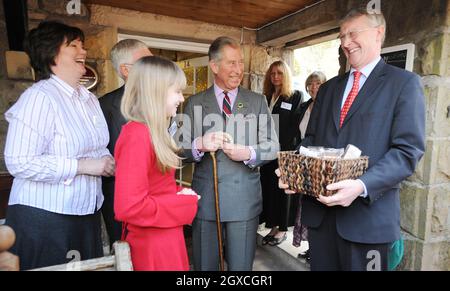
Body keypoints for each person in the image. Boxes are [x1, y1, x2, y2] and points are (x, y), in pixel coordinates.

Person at [278, 7, 425, 271]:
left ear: (378, 33)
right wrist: (295, 171)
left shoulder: (404, 84)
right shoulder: (328, 88)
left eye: (352, 33)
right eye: (342, 36)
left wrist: (361, 186)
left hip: (368, 223)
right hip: (321, 221)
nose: (345, 42)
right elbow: (311, 139)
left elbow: (407, 152)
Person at [4, 21, 115, 270]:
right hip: (45, 217)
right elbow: (19, 161)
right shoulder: (39, 97)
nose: (83, 51)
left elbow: (98, 148)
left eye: (83, 45)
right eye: (73, 45)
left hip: (85, 214)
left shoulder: (88, 99)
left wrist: (108, 162)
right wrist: (83, 166)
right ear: (51, 53)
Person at [180, 36, 279, 271]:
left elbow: (273, 145)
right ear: (214, 66)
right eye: (231, 63)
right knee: (205, 267)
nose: (238, 70)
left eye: (240, 63)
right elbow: (178, 150)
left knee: (241, 269)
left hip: (243, 201)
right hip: (205, 201)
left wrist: (249, 152)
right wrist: (198, 145)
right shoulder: (194, 103)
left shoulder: (257, 101)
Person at [114, 56, 199, 271]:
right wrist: (183, 203)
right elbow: (129, 207)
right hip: (153, 244)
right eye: (177, 91)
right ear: (156, 90)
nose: (181, 98)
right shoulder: (137, 134)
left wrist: (179, 193)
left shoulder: (151, 132)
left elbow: (156, 187)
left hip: (164, 237)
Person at [99, 39, 152, 247]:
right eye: (146, 60)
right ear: (126, 70)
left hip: (157, 195)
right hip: (119, 196)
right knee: (125, 251)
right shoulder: (103, 105)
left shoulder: (163, 100)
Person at [259, 61, 303, 246]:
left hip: (285, 152)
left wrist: (286, 150)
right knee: (270, 190)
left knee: (283, 191)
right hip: (267, 151)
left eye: (279, 73)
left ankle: (283, 229)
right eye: (272, 74)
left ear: (286, 76)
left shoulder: (294, 96)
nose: (276, 77)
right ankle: (273, 225)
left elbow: (295, 127)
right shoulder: (266, 96)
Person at [293, 71, 327, 261]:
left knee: (317, 205)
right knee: (304, 206)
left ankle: (317, 249)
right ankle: (310, 247)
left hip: (318, 163)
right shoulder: (305, 105)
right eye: (311, 83)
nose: (314, 87)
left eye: (319, 83)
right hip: (303, 158)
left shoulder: (328, 107)